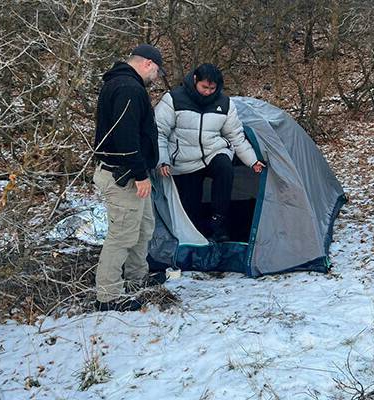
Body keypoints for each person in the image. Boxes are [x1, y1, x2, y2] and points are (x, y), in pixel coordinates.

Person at [92, 44, 165, 312]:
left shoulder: (124, 84)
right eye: (157, 71)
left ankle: (136, 278)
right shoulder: (128, 88)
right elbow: (125, 137)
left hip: (133, 175)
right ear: (147, 63)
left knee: (144, 227)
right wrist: (139, 174)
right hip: (123, 177)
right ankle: (108, 296)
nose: (155, 77)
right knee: (122, 236)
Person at [155, 64, 265, 242]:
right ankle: (198, 233)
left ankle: (218, 218)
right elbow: (159, 131)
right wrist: (163, 160)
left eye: (212, 88)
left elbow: (235, 136)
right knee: (190, 205)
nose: (208, 92)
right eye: (204, 87)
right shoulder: (173, 99)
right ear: (195, 81)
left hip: (213, 152)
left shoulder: (225, 103)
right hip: (184, 158)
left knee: (225, 167)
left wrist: (252, 161)